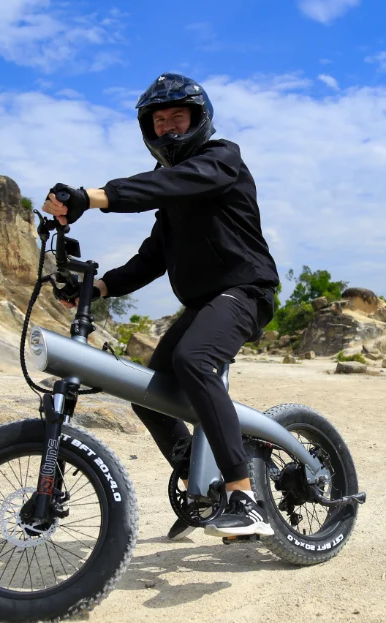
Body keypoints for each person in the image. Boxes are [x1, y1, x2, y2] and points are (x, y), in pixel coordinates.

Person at [42, 73, 280, 540]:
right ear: (148, 130)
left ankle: (243, 496)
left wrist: (92, 196)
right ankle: (203, 482)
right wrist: (99, 288)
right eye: (159, 120)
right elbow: (153, 256)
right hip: (202, 303)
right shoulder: (168, 190)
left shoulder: (221, 158)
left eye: (178, 116)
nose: (168, 127)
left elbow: (175, 184)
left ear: (198, 119)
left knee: (195, 361)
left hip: (245, 290)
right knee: (149, 393)